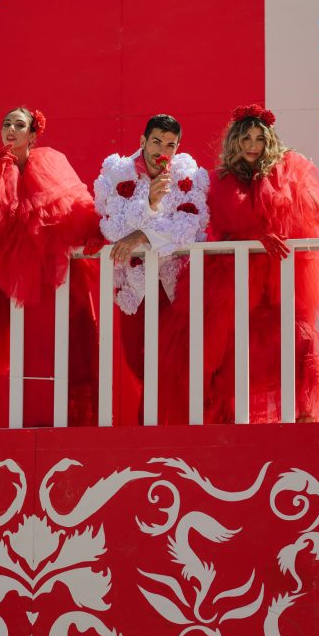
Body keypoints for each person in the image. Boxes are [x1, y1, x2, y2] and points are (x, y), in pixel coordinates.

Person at [163, 103, 319, 424]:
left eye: (259, 139)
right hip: (234, 277)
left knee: (297, 338)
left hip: (282, 272)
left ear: (268, 141)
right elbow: (230, 211)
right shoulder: (222, 177)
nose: (251, 146)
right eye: (245, 139)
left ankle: (302, 416)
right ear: (235, 141)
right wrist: (258, 234)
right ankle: (225, 422)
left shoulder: (289, 168)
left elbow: (312, 200)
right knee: (228, 344)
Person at [0, 107, 101, 427]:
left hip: (56, 275)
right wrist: (2, 176)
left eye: (19, 125)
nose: (11, 130)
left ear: (32, 135)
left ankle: (78, 423)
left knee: (74, 348)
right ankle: (33, 422)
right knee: (31, 352)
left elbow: (72, 211)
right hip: (18, 281)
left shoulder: (48, 161)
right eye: (6, 125)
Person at [93, 114, 209, 414]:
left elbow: (189, 226)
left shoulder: (188, 173)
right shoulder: (116, 174)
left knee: (177, 366)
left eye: (170, 144)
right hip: (136, 287)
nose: (162, 151)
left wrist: (142, 232)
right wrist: (150, 205)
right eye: (156, 142)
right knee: (139, 362)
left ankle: (172, 436)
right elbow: (114, 230)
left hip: (176, 289)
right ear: (143, 141)